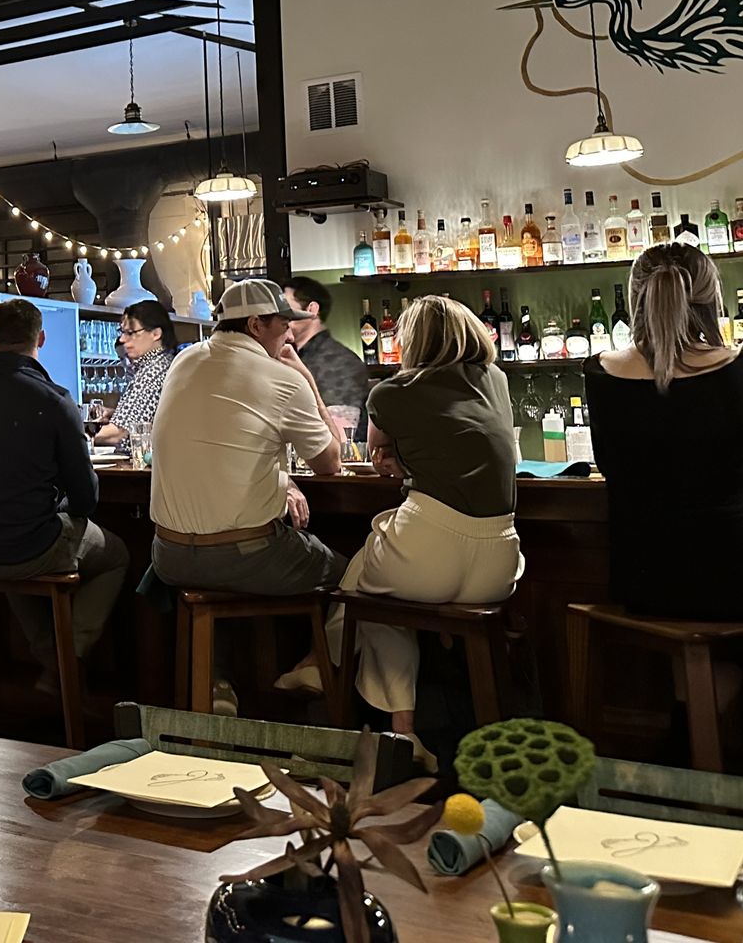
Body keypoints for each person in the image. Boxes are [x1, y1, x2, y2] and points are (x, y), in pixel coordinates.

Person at [287, 296, 520, 757]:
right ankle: (405, 732)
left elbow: (378, 456)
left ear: (410, 342)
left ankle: (325, 664)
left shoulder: (393, 391)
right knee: (378, 599)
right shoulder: (496, 379)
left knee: (363, 591)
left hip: (429, 549)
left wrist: (398, 458)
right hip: (501, 561)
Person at [587, 243, 743, 620]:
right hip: (738, 581)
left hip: (644, 582)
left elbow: (610, 464)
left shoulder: (599, 373)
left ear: (636, 298)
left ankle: (684, 678)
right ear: (711, 298)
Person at [0, 299, 130, 679]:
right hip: (24, 545)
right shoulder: (54, 398)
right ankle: (67, 660)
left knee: (13, 538)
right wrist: (56, 500)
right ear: (40, 338)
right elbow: (85, 498)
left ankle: (48, 659)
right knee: (116, 555)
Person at [150, 278, 347, 596]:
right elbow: (330, 463)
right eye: (283, 325)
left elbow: (224, 443)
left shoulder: (182, 361)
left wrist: (284, 482)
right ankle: (319, 648)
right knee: (351, 576)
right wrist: (306, 378)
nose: (289, 335)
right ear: (256, 325)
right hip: (244, 559)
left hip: (167, 557)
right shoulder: (284, 379)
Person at [286, 276, 372, 440]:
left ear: (312, 309)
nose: (280, 316)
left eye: (287, 308)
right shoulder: (298, 356)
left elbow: (340, 437)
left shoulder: (339, 361)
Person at [93, 300, 179, 446]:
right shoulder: (165, 363)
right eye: (122, 332)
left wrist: (73, 435)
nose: (122, 339)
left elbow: (116, 434)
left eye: (130, 333)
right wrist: (115, 414)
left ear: (156, 334)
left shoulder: (152, 372)